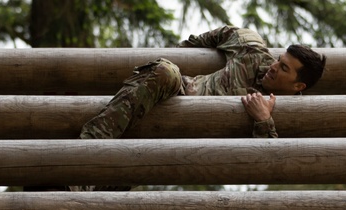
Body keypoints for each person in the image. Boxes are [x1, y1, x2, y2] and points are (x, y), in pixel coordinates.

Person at [79, 25, 327, 141]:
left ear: (298, 87)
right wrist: (184, 52)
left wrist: (263, 122)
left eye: (284, 68)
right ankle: (87, 148)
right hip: (182, 93)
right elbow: (223, 33)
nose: (274, 67)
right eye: (279, 60)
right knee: (165, 70)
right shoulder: (253, 52)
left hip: (188, 146)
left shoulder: (293, 117)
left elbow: (274, 163)